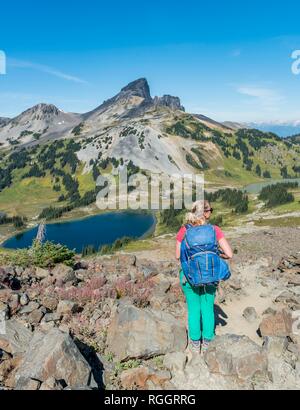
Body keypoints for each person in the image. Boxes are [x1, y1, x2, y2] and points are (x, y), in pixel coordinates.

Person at [176, 200, 233, 353]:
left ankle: (195, 344)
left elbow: (177, 255)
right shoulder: (215, 230)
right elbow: (229, 254)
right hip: (210, 276)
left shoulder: (184, 230)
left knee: (194, 308)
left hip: (189, 277)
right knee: (207, 308)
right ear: (206, 213)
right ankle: (207, 342)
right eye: (210, 210)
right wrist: (217, 254)